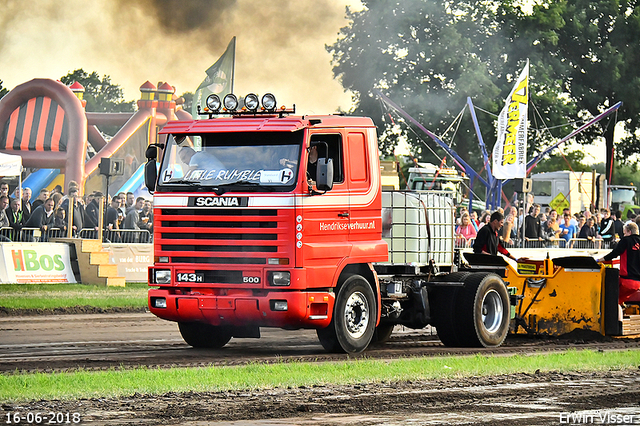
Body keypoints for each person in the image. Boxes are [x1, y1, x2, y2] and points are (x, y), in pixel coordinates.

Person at [597, 222, 640, 305]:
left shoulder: (626, 240)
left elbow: (614, 253)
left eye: (624, 233)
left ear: (629, 232)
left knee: (610, 299)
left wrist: (600, 260)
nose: (623, 236)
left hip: (626, 280)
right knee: (619, 300)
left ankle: (616, 316)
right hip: (638, 283)